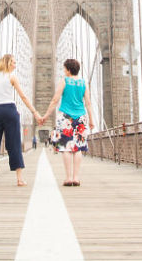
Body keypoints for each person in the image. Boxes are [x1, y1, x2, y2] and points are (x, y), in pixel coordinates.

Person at [0, 54, 42, 187]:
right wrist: (34, 112)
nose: (15, 65)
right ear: (7, 63)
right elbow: (23, 96)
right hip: (10, 111)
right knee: (14, 144)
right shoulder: (12, 77)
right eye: (13, 62)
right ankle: (19, 179)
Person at [43, 58, 95, 187]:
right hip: (81, 117)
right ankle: (76, 178)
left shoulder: (64, 81)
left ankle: (68, 178)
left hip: (65, 117)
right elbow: (88, 103)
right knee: (77, 149)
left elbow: (55, 100)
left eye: (64, 68)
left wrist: (45, 116)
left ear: (69, 69)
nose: (64, 71)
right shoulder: (83, 83)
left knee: (66, 148)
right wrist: (92, 120)